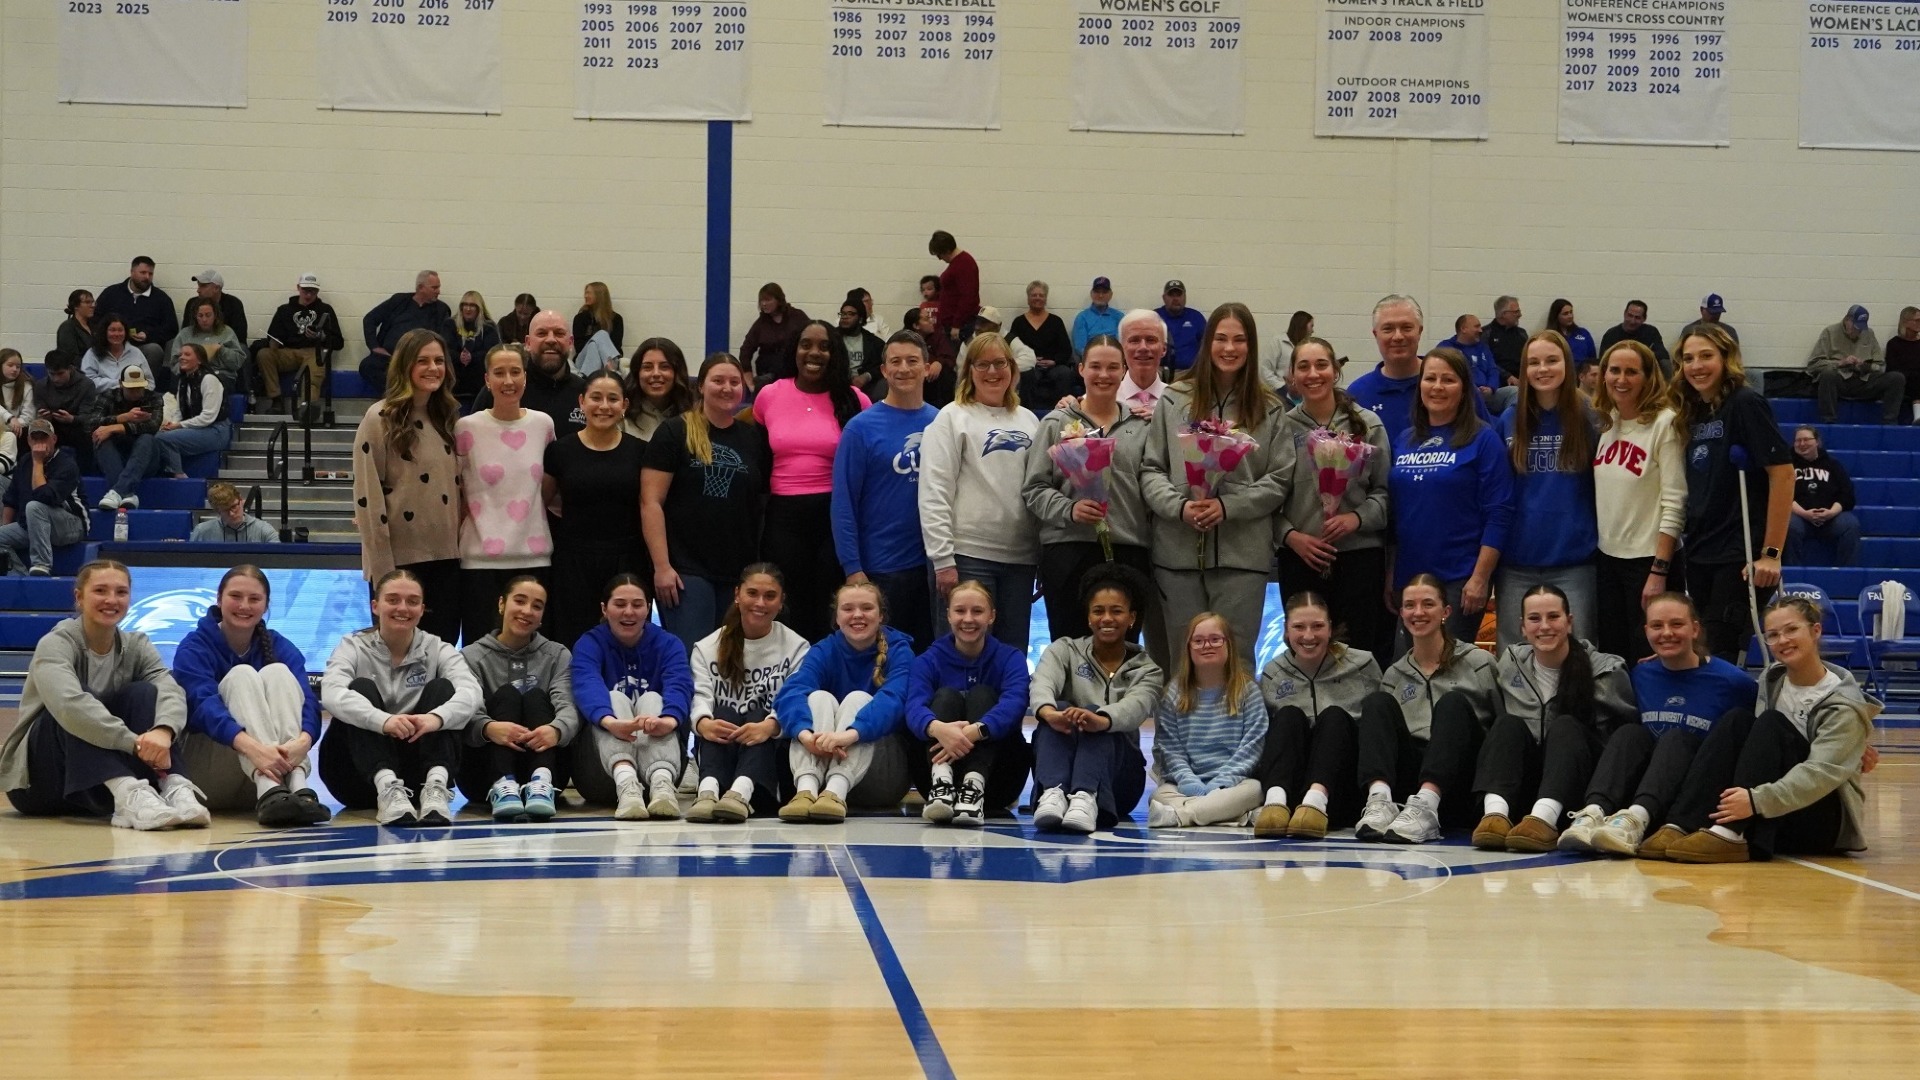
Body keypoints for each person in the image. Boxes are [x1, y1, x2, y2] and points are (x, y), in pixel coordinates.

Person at [1663, 595, 1877, 863]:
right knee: (1737, 721)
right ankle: (1680, 824)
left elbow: (1819, 774)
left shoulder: (1844, 703)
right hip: (1778, 807)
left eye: (1791, 630)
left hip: (1823, 820)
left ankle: (1730, 833)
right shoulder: (1771, 680)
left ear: (1815, 630)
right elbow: (1760, 750)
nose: (1783, 641)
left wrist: (1754, 800)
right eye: (1773, 635)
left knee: (1770, 723)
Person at [1139, 303, 1289, 666]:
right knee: (1182, 664)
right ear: (1208, 344)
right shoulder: (1175, 399)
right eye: (1221, 338)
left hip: (1242, 557)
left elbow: (1279, 479)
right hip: (1177, 557)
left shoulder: (1270, 408)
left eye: (1239, 340)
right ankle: (1177, 726)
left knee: (1235, 663)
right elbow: (1151, 469)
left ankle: (1239, 725)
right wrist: (1180, 507)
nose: (1229, 348)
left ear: (1251, 347)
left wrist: (1228, 507)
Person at [0, 561, 200, 829]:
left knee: (144, 693)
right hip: (42, 786)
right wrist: (136, 743)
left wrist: (164, 731)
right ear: (79, 597)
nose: (111, 600)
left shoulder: (136, 645)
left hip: (97, 786)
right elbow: (69, 706)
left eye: (121, 592)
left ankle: (173, 786)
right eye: (100, 591)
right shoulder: (55, 644)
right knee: (74, 705)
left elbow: (170, 688)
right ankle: (128, 793)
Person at [1569, 594, 1758, 856]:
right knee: (1629, 733)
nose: (1666, 633)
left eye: (1676, 624)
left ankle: (1637, 821)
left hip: (1691, 798)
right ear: (1646, 632)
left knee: (1675, 738)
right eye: (1657, 626)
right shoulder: (1641, 674)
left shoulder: (1735, 683)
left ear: (1695, 629)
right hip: (1647, 791)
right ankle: (1594, 814)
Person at [1469, 585, 1635, 853]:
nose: (1544, 626)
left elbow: (1623, 740)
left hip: (1577, 792)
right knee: (1507, 725)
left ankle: (1544, 819)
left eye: (1553, 617)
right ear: (1522, 627)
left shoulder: (1606, 670)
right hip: (1526, 789)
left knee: (1565, 726)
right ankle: (1495, 817)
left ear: (1569, 622)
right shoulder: (1510, 663)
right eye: (1534, 619)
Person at [318, 569, 482, 825]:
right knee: (360, 688)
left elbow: (472, 693)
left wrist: (435, 719)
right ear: (375, 606)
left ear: (422, 608)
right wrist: (382, 721)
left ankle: (436, 787)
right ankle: (386, 786)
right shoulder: (352, 646)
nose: (402, 608)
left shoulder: (438, 648)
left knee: (442, 689)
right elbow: (331, 693)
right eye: (393, 600)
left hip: (415, 781)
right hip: (356, 780)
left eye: (412, 601)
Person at [169, 565, 328, 827]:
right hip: (209, 778)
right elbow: (202, 706)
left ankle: (298, 786)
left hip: (274, 778)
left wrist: (302, 742)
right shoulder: (194, 646)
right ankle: (270, 786)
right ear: (219, 600)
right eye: (235, 596)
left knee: (278, 672)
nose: (244, 605)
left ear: (266, 606)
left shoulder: (279, 645)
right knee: (241, 674)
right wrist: (255, 750)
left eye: (254, 599)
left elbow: (308, 701)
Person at [1024, 335, 1156, 649]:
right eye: (1095, 366)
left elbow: (1152, 486)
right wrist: (1069, 509)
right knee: (1069, 649)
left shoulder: (1141, 426)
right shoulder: (1056, 423)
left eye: (1113, 367)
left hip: (1128, 550)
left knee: (1122, 649)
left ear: (1124, 371)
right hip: (1068, 551)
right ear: (1081, 369)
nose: (1103, 374)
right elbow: (1034, 488)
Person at [1673, 324, 1791, 661]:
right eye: (1688, 358)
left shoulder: (1746, 403)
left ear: (1727, 359)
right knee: (1700, 648)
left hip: (1740, 554)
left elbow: (1782, 475)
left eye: (1706, 356)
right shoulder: (1693, 409)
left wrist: (1771, 553)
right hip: (1699, 549)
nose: (1696, 366)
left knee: (1720, 648)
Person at [1356, 575, 1500, 843]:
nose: (1418, 612)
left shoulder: (1479, 662)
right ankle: (1380, 801)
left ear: (1445, 612)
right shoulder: (1394, 674)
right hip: (1410, 788)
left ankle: (1429, 802)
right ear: (1401, 613)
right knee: (1376, 703)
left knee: (1453, 703)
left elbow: (1502, 731)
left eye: (1428, 604)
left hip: (1462, 780)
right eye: (1410, 605)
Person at [919, 333, 1040, 650]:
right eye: (982, 364)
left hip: (1020, 559)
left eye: (1000, 363)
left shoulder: (1029, 420)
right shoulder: (951, 417)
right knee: (964, 655)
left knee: (1012, 655)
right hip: (968, 556)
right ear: (969, 370)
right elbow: (934, 491)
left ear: (1012, 369)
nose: (992, 372)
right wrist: (943, 559)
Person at [643, 353, 770, 648]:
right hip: (687, 571)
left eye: (734, 382)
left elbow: (759, 505)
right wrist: (662, 566)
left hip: (738, 571)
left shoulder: (753, 439)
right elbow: (650, 502)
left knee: (728, 660)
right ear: (700, 386)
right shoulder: (675, 432)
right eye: (718, 380)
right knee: (692, 659)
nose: (727, 388)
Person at [1386, 348, 1514, 642]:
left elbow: (1500, 513)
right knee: (1408, 671)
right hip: (1410, 579)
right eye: (1430, 378)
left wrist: (1480, 578)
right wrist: (1391, 573)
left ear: (1464, 388)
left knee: (1448, 672)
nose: (1438, 387)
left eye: (1448, 379)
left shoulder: (1484, 440)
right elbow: (1396, 515)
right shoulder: (1405, 440)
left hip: (1459, 579)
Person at [754, 321, 869, 642]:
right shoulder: (770, 396)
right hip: (783, 517)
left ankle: (827, 678)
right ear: (794, 350)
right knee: (788, 602)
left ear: (835, 354)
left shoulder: (856, 401)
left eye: (824, 346)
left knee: (829, 604)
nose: (814, 353)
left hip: (834, 515)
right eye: (806, 344)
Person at [1275, 337, 1392, 657]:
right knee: (1306, 653)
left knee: (1358, 652)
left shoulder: (1368, 424)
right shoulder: (1281, 428)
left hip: (1359, 560)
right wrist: (1291, 537)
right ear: (1292, 377)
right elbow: (1268, 499)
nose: (1313, 374)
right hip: (1301, 559)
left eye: (1321, 365)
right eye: (1304, 366)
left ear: (1336, 371)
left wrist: (1356, 518)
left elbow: (1385, 493)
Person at [1028, 564, 1164, 832]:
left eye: (1116, 611)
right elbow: (1041, 683)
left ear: (1131, 618)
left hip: (1119, 782)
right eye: (1098, 611)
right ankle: (1053, 793)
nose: (1107, 618)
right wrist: (1049, 713)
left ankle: (1085, 796)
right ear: (1089, 617)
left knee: (1099, 714)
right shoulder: (1063, 650)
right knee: (1061, 709)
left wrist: (1099, 719)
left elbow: (1135, 708)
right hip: (1063, 764)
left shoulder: (1148, 668)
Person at [351, 329, 464, 643]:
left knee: (439, 650)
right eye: (423, 361)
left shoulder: (447, 418)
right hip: (400, 561)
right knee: (398, 655)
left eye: (439, 361)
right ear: (405, 366)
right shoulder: (380, 418)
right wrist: (384, 570)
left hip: (447, 561)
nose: (433, 368)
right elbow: (367, 499)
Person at [832, 331, 941, 652]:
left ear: (927, 368)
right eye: (895, 361)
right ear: (883, 370)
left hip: (933, 567)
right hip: (881, 569)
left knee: (925, 664)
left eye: (912, 361)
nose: (904, 369)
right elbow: (843, 505)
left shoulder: (942, 422)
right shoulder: (861, 428)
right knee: (883, 663)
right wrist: (853, 569)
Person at [774, 579, 916, 823]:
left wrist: (849, 735)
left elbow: (896, 699)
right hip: (821, 764)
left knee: (858, 699)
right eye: (848, 609)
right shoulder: (824, 650)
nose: (857, 615)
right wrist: (807, 736)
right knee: (817, 698)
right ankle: (805, 792)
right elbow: (790, 692)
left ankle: (835, 792)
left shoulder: (900, 651)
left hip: (881, 776)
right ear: (837, 618)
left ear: (881, 616)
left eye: (867, 608)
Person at [1494, 331, 1599, 649]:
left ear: (1567, 365)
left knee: (1579, 653)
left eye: (1552, 360)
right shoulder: (1510, 419)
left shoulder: (1589, 418)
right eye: (1534, 362)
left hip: (1575, 560)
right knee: (1515, 658)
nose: (1543, 369)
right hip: (1517, 562)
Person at [686, 564, 810, 823]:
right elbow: (700, 697)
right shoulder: (706, 647)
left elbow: (796, 702)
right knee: (721, 712)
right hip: (721, 759)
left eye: (770, 596)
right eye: (752, 593)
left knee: (759, 713)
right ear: (737, 595)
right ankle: (707, 792)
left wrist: (771, 727)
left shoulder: (797, 647)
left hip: (769, 773)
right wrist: (703, 723)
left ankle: (740, 793)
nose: (760, 603)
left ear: (781, 601)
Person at [1252, 592, 1380, 839]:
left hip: (1341, 786)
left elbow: (1378, 728)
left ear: (1330, 629)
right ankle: (1274, 803)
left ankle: (1316, 801)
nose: (1308, 636)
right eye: (1299, 627)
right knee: (1288, 715)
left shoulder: (1363, 664)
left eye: (1317, 626)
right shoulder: (1273, 672)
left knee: (1334, 717)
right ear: (1286, 631)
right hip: (1292, 785)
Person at [907, 580, 1033, 826]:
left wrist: (974, 732)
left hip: (999, 782)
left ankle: (973, 785)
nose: (968, 619)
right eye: (960, 611)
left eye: (977, 611)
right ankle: (942, 783)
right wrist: (939, 730)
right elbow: (912, 706)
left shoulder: (1010, 658)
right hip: (933, 780)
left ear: (991, 616)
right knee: (945, 697)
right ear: (948, 615)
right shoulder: (928, 659)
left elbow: (1016, 702)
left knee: (983, 695)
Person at [568, 574, 694, 820]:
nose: (629, 612)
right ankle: (626, 785)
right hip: (601, 777)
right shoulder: (589, 643)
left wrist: (667, 721)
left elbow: (680, 685)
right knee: (612, 699)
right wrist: (611, 723)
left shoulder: (669, 644)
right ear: (605, 609)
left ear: (648, 608)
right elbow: (587, 684)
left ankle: (662, 786)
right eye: (620, 604)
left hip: (663, 764)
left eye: (637, 605)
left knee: (654, 700)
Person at [1591, 341, 1685, 662]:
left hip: (1648, 562)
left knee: (1649, 657)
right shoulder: (1609, 423)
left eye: (1632, 372)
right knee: (1614, 658)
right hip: (1608, 559)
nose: (1621, 378)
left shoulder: (1665, 423)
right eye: (1614, 370)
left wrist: (1659, 571)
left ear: (1648, 378)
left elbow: (1675, 501)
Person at [456, 344, 556, 645]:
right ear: (487, 379)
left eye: (515, 372)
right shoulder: (466, 427)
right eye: (499, 373)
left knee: (533, 656)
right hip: (479, 562)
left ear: (525, 377)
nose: (508, 381)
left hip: (534, 559)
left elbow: (549, 488)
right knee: (480, 654)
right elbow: (458, 491)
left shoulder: (543, 425)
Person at [459, 575, 578, 822]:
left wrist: (555, 731)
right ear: (502, 604)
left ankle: (540, 780)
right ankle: (504, 782)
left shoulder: (557, 655)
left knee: (535, 696)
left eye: (537, 606)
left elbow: (568, 707)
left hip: (549, 775)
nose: (527, 611)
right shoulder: (470, 656)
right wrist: (488, 728)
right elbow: (463, 711)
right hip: (483, 778)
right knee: (508, 695)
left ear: (543, 615)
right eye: (520, 601)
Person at [543, 369, 647, 648]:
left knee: (624, 640)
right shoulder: (559, 451)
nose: (604, 406)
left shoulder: (641, 452)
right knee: (573, 640)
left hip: (627, 560)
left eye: (613, 399)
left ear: (624, 405)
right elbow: (541, 504)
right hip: (572, 561)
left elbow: (649, 506)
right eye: (596, 398)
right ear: (581, 401)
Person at [1146, 612, 1265, 828]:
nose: (1206, 645)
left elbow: (1252, 746)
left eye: (1215, 639)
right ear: (1188, 648)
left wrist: (1223, 782)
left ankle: (1182, 815)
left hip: (1234, 783)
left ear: (1228, 644)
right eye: (1198, 641)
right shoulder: (1173, 693)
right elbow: (1169, 748)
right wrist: (1188, 781)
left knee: (1254, 790)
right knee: (1159, 795)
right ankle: (1230, 815)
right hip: (1185, 785)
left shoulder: (1248, 692)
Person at [1349, 295, 1492, 442]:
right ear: (1375, 334)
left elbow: (1486, 441)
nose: (1398, 336)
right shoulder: (1357, 394)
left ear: (1420, 331)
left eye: (1406, 327)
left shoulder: (1455, 386)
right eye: (1388, 329)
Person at [476, 311, 585, 438]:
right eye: (542, 333)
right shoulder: (503, 390)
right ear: (528, 343)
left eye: (559, 333)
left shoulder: (585, 392)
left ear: (570, 342)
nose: (551, 339)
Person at [0, 419, 88, 576]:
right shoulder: (25, 461)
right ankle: (21, 578)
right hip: (33, 525)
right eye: (35, 438)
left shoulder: (66, 464)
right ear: (28, 441)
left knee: (35, 506)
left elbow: (43, 497)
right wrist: (5, 530)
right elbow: (11, 498)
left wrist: (38, 462)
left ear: (53, 439)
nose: (39, 443)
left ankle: (41, 564)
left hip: (72, 524)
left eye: (44, 438)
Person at [256, 274, 345, 413]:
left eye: (312, 291)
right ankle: (276, 400)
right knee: (264, 354)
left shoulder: (325, 310)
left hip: (314, 351)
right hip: (288, 351)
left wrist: (321, 337)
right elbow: (273, 338)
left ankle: (307, 407)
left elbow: (339, 342)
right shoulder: (284, 310)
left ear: (317, 292)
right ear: (298, 288)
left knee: (315, 369)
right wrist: (273, 343)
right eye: (305, 291)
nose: (308, 295)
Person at [1806, 305, 1904, 424]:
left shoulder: (1869, 333)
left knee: (1897, 378)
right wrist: (1840, 363)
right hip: (1840, 380)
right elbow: (1813, 365)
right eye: (1855, 327)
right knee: (1828, 374)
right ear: (1847, 320)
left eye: (1861, 328)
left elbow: (1881, 365)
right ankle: (1829, 421)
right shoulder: (1830, 332)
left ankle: (1890, 422)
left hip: (1864, 380)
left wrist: (1866, 367)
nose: (1858, 331)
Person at [359, 271, 453, 389]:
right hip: (389, 357)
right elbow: (370, 319)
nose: (438, 291)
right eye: (434, 288)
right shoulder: (398, 301)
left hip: (418, 360)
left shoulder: (441, 310)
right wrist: (374, 346)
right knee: (367, 365)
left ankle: (405, 395)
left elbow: (443, 339)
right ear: (420, 288)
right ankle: (394, 395)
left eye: (438, 287)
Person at [88, 366, 164, 510]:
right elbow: (91, 423)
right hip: (114, 457)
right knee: (101, 438)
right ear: (121, 384)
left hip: (145, 458)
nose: (136, 392)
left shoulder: (154, 398)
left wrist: (116, 427)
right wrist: (122, 417)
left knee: (147, 439)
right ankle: (127, 493)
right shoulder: (107, 396)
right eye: (131, 388)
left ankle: (116, 492)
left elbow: (153, 426)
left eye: (139, 388)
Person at [1786, 425, 1861, 566]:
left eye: (1806, 439)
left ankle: (1848, 574)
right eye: (1798, 440)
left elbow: (1847, 495)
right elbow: (1782, 495)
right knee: (1788, 526)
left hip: (1831, 518)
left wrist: (1831, 512)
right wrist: (1804, 513)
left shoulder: (1833, 465)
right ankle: (1792, 575)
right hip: (1799, 517)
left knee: (1851, 525)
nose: (1802, 444)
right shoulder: (1786, 465)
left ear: (1817, 442)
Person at [156, 343, 231, 477]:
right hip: (196, 428)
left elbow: (208, 417)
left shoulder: (209, 379)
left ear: (200, 360)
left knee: (165, 439)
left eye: (187, 354)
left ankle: (179, 476)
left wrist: (179, 425)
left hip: (216, 430)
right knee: (157, 435)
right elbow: (180, 410)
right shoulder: (183, 380)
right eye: (180, 355)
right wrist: (172, 424)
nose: (181, 358)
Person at [94, 257, 177, 370]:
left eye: (150, 274)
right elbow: (95, 319)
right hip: (112, 344)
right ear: (132, 272)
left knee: (154, 350)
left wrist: (149, 335)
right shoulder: (111, 293)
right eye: (143, 273)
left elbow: (172, 328)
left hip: (143, 347)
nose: (147, 277)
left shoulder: (162, 299)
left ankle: (145, 386)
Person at [1006, 281, 1075, 407]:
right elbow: (1010, 349)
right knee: (1026, 375)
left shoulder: (1056, 321)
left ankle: (1063, 412)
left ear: (1045, 298)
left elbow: (1066, 349)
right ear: (1028, 298)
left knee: (1065, 373)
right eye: (1034, 295)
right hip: (1030, 365)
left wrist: (1054, 361)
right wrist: (1030, 360)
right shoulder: (1019, 322)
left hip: (1054, 365)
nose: (1037, 298)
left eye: (1041, 295)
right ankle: (1027, 413)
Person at [621, 336, 695, 449]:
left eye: (665, 367)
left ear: (677, 372)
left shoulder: (694, 417)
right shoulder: (621, 416)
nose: (656, 373)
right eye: (647, 367)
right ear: (637, 373)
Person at [974, 306, 1045, 412]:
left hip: (1002, 382)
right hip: (979, 381)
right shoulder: (970, 341)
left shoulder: (1008, 339)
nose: (978, 327)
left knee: (1028, 374)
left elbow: (1029, 358)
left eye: (984, 323)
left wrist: (1003, 368)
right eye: (978, 322)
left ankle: (1023, 411)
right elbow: (961, 369)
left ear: (998, 326)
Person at [739, 283, 808, 390]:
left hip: (794, 375)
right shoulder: (760, 324)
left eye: (768, 300)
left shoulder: (797, 317)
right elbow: (745, 352)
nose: (763, 304)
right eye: (761, 301)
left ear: (779, 300)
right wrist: (751, 384)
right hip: (768, 376)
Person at [34, 352, 96, 463]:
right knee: (36, 432)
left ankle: (84, 474)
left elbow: (88, 417)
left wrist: (72, 419)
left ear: (71, 369)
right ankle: (38, 468)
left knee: (87, 434)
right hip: (52, 426)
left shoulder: (87, 385)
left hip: (77, 427)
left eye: (60, 374)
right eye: (51, 374)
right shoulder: (40, 386)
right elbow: (40, 410)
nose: (55, 379)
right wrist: (45, 418)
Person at [169, 296, 245, 384]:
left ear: (215, 315)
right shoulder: (184, 334)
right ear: (195, 316)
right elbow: (174, 364)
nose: (204, 319)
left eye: (208, 315)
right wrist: (189, 364)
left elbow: (237, 363)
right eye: (200, 315)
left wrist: (221, 350)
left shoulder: (227, 332)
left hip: (220, 375)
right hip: (191, 375)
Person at [930, 230, 980, 360]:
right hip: (953, 323)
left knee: (959, 362)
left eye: (939, 254)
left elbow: (968, 297)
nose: (939, 258)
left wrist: (957, 324)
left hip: (960, 326)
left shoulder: (964, 264)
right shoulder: (958, 263)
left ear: (946, 250)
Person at [448, 291, 501, 411]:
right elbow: (445, 348)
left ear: (479, 308)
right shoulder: (450, 324)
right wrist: (458, 357)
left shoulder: (489, 327)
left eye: (472, 305)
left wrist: (472, 357)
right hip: (454, 386)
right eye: (465, 305)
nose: (468, 309)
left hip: (479, 386)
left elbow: (493, 352)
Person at [1435, 313, 1503, 406]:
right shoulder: (1446, 347)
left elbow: (1493, 370)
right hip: (1462, 396)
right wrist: (1471, 388)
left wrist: (1490, 388)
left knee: (1513, 393)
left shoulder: (1483, 348)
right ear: (1463, 329)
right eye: (1477, 326)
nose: (1480, 330)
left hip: (1487, 395)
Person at [1115, 309, 1171, 417]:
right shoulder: (1102, 400)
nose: (1143, 348)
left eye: (1151, 340)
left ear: (1164, 349)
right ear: (1121, 349)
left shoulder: (1178, 402)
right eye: (1134, 340)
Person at [80, 314, 153, 393]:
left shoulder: (135, 352)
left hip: (132, 400)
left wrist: (135, 391)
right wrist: (119, 384)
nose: (117, 334)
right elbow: (87, 382)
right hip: (102, 400)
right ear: (105, 332)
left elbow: (150, 382)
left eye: (120, 330)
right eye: (112, 330)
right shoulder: (92, 353)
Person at [189, 480, 278, 543]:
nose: (231, 513)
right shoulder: (201, 532)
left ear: (241, 501)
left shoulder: (264, 530)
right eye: (225, 510)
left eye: (234, 506)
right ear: (218, 511)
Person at [1599, 300, 1671, 377]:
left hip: (1645, 370)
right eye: (1630, 315)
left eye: (1637, 317)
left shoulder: (1651, 332)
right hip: (1619, 370)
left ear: (1644, 318)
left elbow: (1663, 354)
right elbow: (1603, 359)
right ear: (1624, 314)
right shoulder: (1611, 334)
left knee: (1665, 363)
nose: (1632, 321)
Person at [1156, 279, 1207, 373]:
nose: (1175, 299)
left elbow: (1208, 346)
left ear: (1185, 297)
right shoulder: (1154, 317)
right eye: (1171, 295)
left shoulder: (1196, 317)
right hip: (1160, 371)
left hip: (1189, 373)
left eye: (1179, 295)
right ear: (1164, 298)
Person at [837, 299, 888, 390]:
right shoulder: (832, 337)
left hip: (866, 386)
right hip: (838, 385)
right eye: (843, 314)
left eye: (850, 314)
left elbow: (885, 364)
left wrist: (867, 376)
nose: (845, 317)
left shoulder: (874, 343)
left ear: (860, 319)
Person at [1258, 310, 1313, 394]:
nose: (1313, 330)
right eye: (1311, 326)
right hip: (1280, 394)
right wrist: (1281, 388)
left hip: (1302, 394)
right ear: (1303, 326)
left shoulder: (1307, 346)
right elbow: (1265, 370)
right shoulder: (1278, 342)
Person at [1, 349, 36, 475]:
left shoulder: (26, 385)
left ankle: (17, 471)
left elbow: (28, 416)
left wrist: (13, 425)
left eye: (18, 366)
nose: (15, 369)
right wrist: (10, 419)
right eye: (10, 365)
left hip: (17, 430)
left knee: (23, 432)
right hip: (3, 428)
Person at [1484, 295, 1527, 397]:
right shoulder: (1486, 334)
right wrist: (1507, 376)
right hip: (1497, 384)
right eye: (1516, 312)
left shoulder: (1522, 334)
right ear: (1503, 314)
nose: (1520, 315)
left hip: (1521, 382)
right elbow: (1486, 361)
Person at [190, 269, 248, 342]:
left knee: (243, 349)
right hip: (197, 345)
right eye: (198, 286)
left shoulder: (233, 304)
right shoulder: (192, 303)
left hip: (227, 345)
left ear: (216, 288)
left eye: (203, 286)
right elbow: (187, 332)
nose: (198, 290)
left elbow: (239, 336)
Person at [1071, 277, 1122, 360]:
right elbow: (1080, 347)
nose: (1100, 295)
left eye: (1104, 292)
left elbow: (1123, 343)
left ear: (1111, 295)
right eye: (1097, 292)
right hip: (1090, 360)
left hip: (1115, 359)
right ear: (1091, 294)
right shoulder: (1082, 317)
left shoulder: (1119, 317)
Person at [1544, 299, 1598, 371]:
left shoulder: (1583, 333)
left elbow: (1592, 358)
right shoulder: (1549, 336)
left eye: (1571, 312)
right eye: (1565, 314)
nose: (1570, 316)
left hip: (1582, 375)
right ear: (1556, 316)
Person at [1886, 305, 1920, 420]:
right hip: (1903, 382)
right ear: (1906, 322)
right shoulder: (1894, 344)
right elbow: (1892, 368)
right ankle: (1917, 416)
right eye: (1917, 320)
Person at [574, 281, 625, 357]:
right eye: (585, 293)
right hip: (586, 358)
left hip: (608, 357)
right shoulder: (580, 318)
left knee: (602, 335)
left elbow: (616, 346)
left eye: (589, 293)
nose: (585, 296)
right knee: (601, 335)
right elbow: (579, 347)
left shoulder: (616, 319)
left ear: (599, 295)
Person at [56, 289, 94, 364]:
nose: (92, 305)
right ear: (76, 306)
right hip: (78, 372)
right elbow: (71, 358)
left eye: (92, 302)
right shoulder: (67, 327)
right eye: (87, 302)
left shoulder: (95, 326)